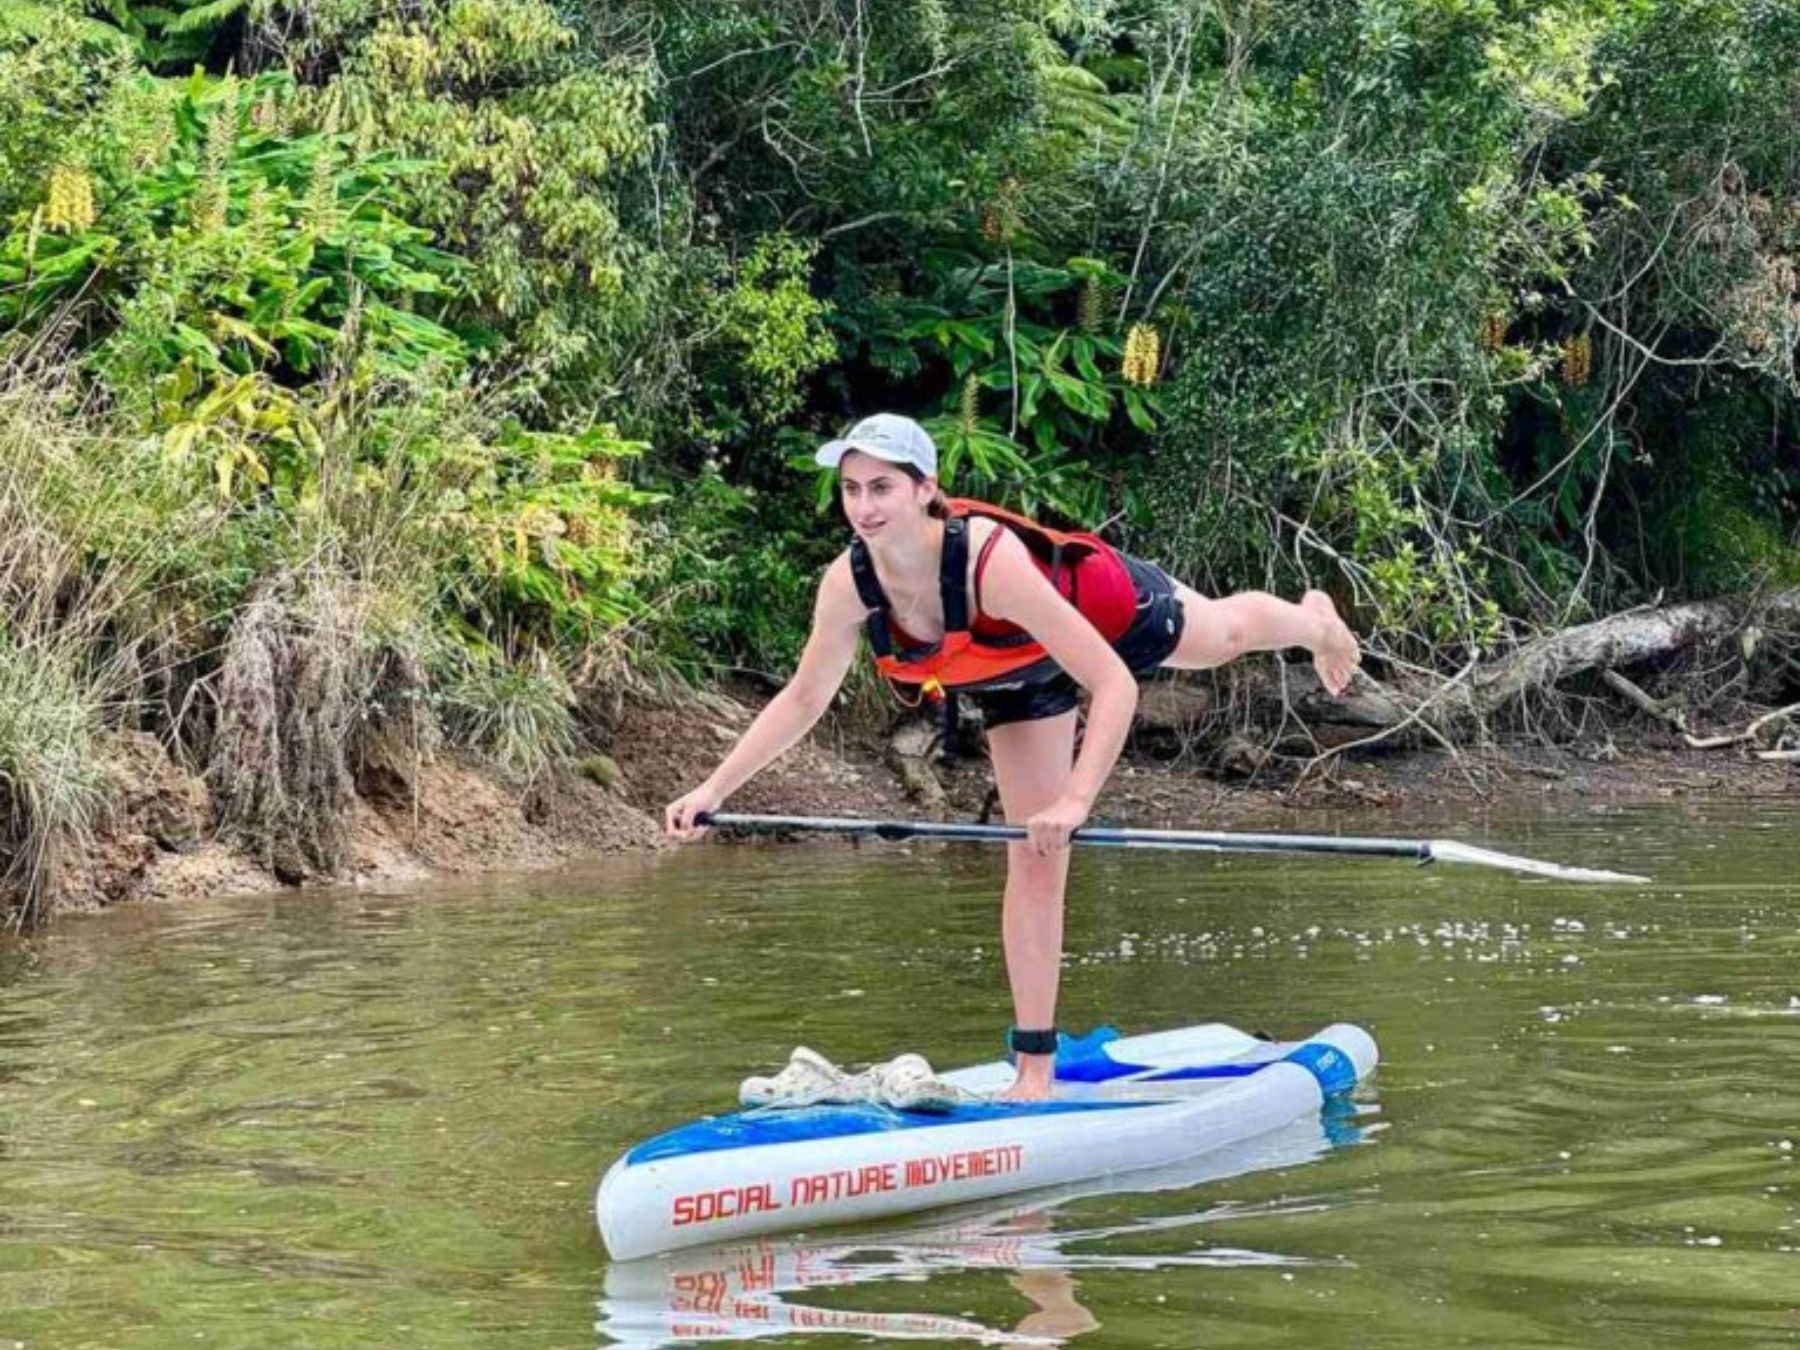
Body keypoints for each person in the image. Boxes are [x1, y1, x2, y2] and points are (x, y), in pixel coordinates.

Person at [666, 414, 1361, 1101]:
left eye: (882, 487)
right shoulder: (848, 585)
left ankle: (1315, 623)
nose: (864, 507)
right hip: (1016, 680)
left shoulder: (987, 563)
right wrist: (713, 790)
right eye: (852, 489)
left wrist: (1076, 800)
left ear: (925, 489)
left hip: (1105, 619)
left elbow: (1114, 684)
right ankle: (1034, 1070)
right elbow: (803, 698)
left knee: (1223, 637)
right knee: (1033, 859)